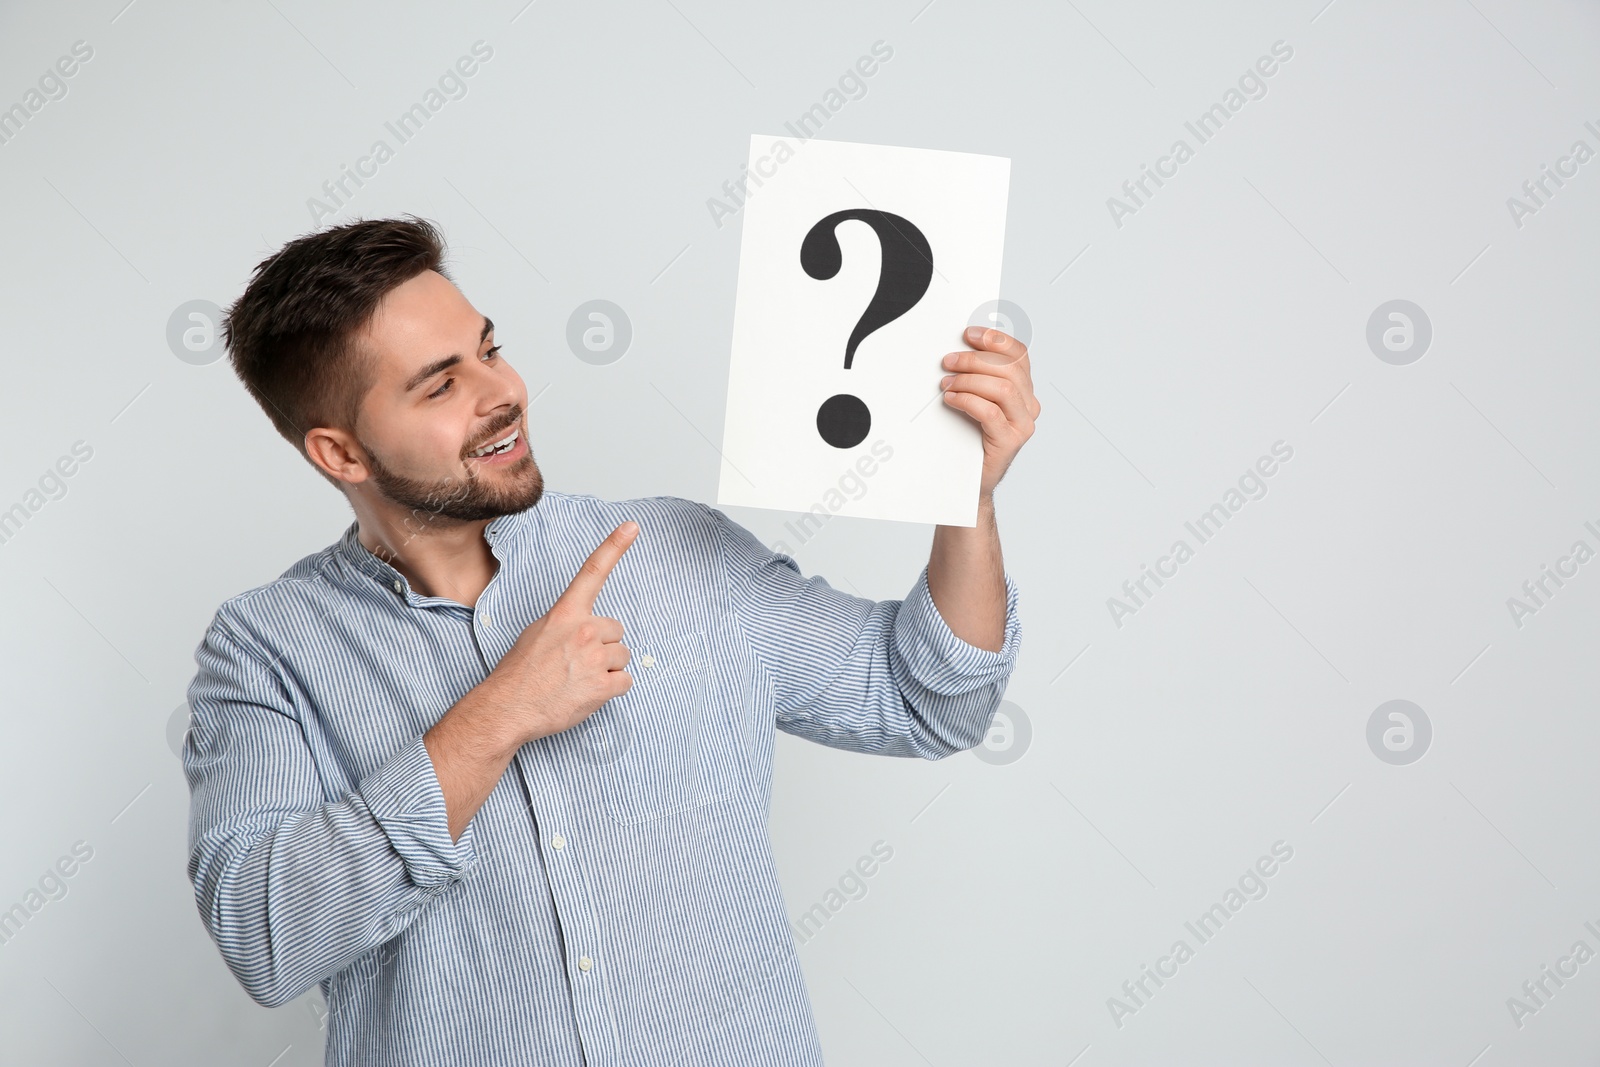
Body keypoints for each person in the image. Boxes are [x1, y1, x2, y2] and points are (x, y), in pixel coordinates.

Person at [183, 215, 1037, 1065]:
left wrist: (966, 493)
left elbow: (932, 700)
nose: (502, 391)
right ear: (340, 453)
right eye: (441, 385)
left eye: (490, 347)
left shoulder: (674, 552)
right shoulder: (265, 649)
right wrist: (499, 713)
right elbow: (268, 937)